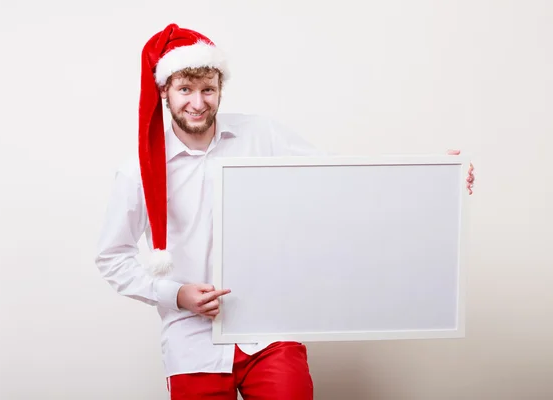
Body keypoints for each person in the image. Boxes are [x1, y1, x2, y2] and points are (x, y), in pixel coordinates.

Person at [95, 23, 475, 400]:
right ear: (165, 91)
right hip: (191, 340)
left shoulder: (262, 136)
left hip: (270, 329)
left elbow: (342, 183)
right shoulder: (137, 172)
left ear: (220, 89)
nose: (198, 102)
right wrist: (176, 294)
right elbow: (112, 258)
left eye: (207, 89)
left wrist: (438, 177)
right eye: (185, 90)